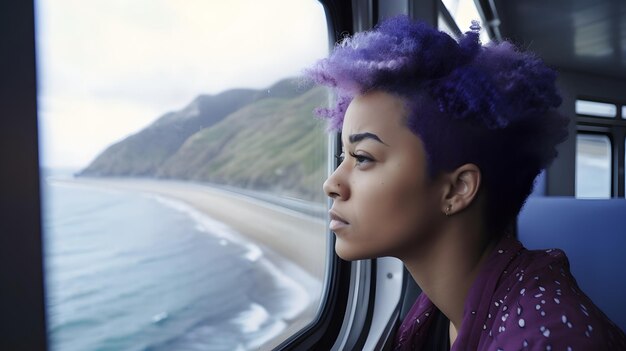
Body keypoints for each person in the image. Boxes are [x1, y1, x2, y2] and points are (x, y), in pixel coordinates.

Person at [305, 15, 626, 350]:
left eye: (364, 157)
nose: (332, 183)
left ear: (458, 189)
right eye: (344, 157)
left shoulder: (549, 337)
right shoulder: (436, 308)